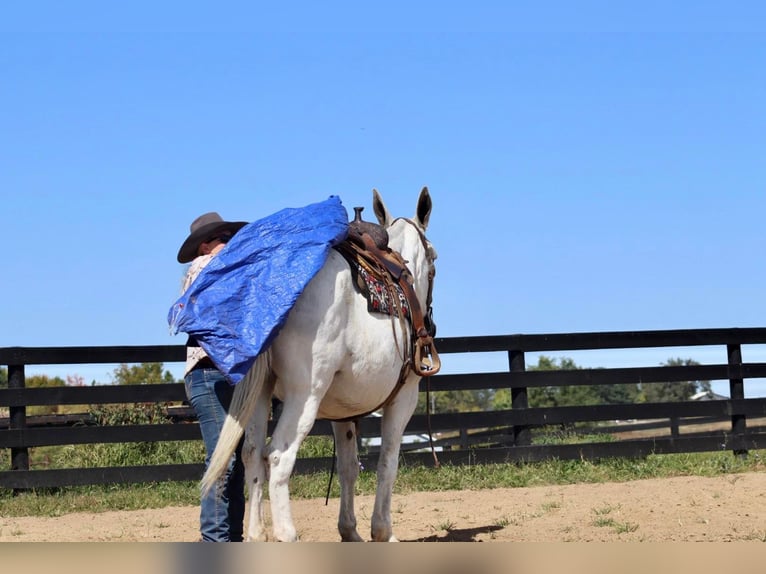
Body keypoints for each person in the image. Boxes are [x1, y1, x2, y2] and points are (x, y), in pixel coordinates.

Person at [177, 211, 248, 542]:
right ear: (205, 246)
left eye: (228, 238)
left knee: (236, 464)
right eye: (221, 240)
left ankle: (231, 540)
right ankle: (215, 544)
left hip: (226, 377)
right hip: (208, 374)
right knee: (223, 463)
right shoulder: (201, 267)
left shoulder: (227, 269)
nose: (227, 244)